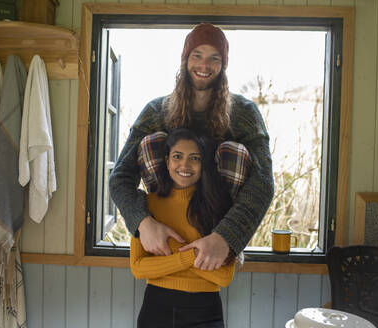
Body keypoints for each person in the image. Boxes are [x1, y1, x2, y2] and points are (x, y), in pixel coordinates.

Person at [110, 22, 274, 270]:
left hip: (217, 225)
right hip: (167, 221)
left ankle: (215, 245)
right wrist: (143, 223)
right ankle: (166, 234)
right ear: (185, 60)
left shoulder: (245, 112)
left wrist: (227, 237)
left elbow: (263, 183)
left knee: (234, 153)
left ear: (223, 65)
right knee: (152, 143)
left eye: (214, 58)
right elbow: (120, 176)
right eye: (197, 55)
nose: (204, 65)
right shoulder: (155, 111)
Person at [131, 128, 235, 327]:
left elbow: (224, 276)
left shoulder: (220, 207)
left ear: (204, 164)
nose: (184, 165)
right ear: (168, 161)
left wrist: (168, 258)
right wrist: (193, 254)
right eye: (177, 156)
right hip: (156, 308)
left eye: (194, 158)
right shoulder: (146, 205)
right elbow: (138, 267)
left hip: (206, 311)